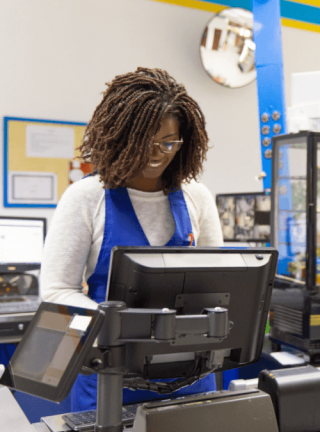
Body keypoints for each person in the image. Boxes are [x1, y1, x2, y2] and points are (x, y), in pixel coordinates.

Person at [40, 67, 223, 412]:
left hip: (191, 376)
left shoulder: (197, 197)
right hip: (110, 377)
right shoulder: (86, 198)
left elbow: (221, 281)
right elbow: (56, 292)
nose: (157, 154)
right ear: (120, 136)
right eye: (144, 142)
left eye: (168, 143)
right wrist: (122, 325)